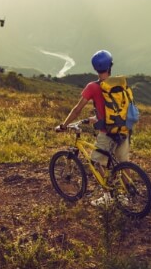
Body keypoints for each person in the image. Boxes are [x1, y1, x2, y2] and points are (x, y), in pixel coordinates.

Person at [56, 49, 130, 206]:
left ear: (95, 69)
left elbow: (77, 109)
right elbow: (116, 108)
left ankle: (108, 197)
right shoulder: (119, 83)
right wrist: (96, 118)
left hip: (107, 132)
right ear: (110, 66)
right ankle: (126, 196)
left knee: (97, 162)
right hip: (123, 128)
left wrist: (64, 125)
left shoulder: (92, 87)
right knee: (123, 163)